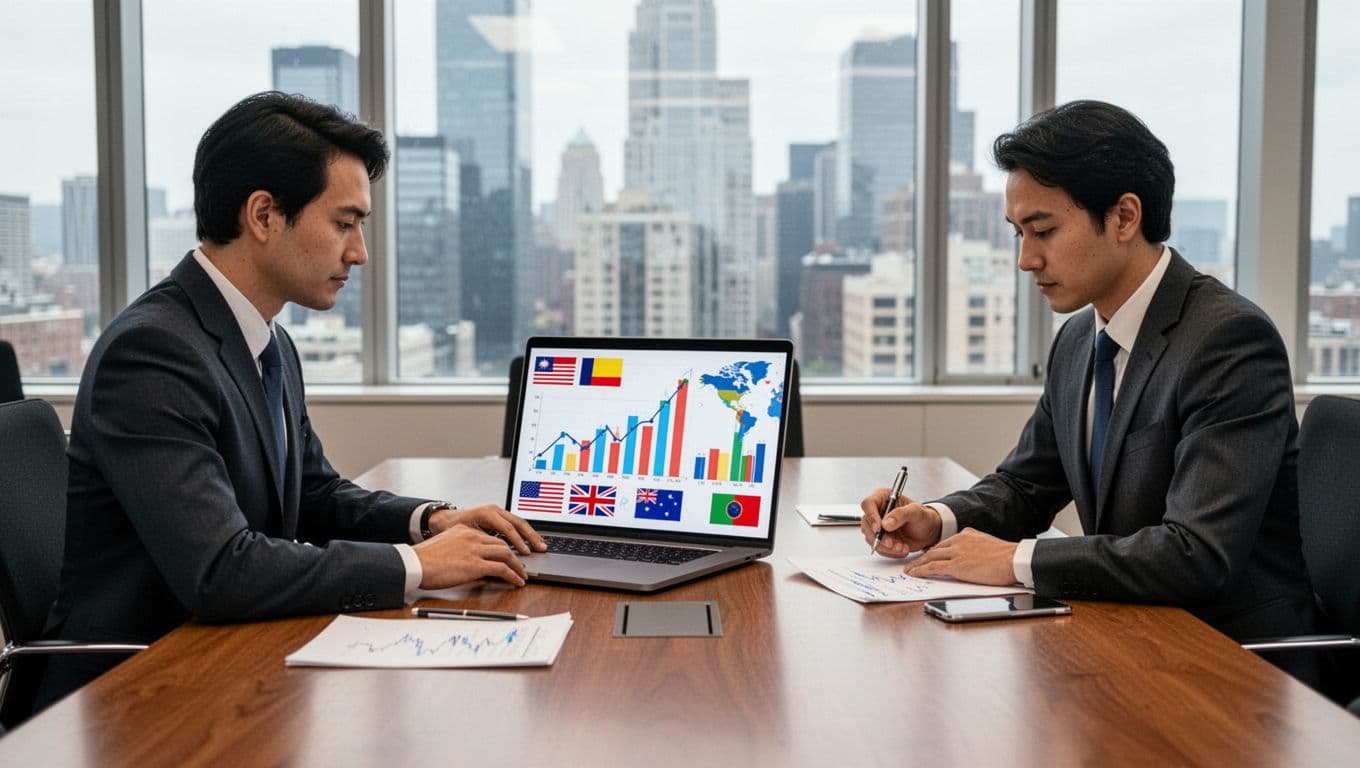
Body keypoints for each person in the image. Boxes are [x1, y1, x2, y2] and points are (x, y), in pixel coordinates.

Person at [38, 92, 546, 705]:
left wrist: (433, 522)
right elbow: (220, 571)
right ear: (263, 215)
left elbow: (313, 493)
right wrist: (419, 567)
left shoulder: (265, 338)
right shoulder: (152, 354)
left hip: (225, 661)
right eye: (344, 223)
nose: (358, 251)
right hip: (134, 692)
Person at [861, 101, 1315, 660]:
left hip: (1233, 660)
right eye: (1017, 233)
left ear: (1124, 217)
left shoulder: (1229, 342)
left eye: (1043, 230)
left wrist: (1015, 561)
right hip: (1131, 635)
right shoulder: (1079, 339)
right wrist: (936, 519)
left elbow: (1197, 553)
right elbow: (1026, 486)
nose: (1026, 259)